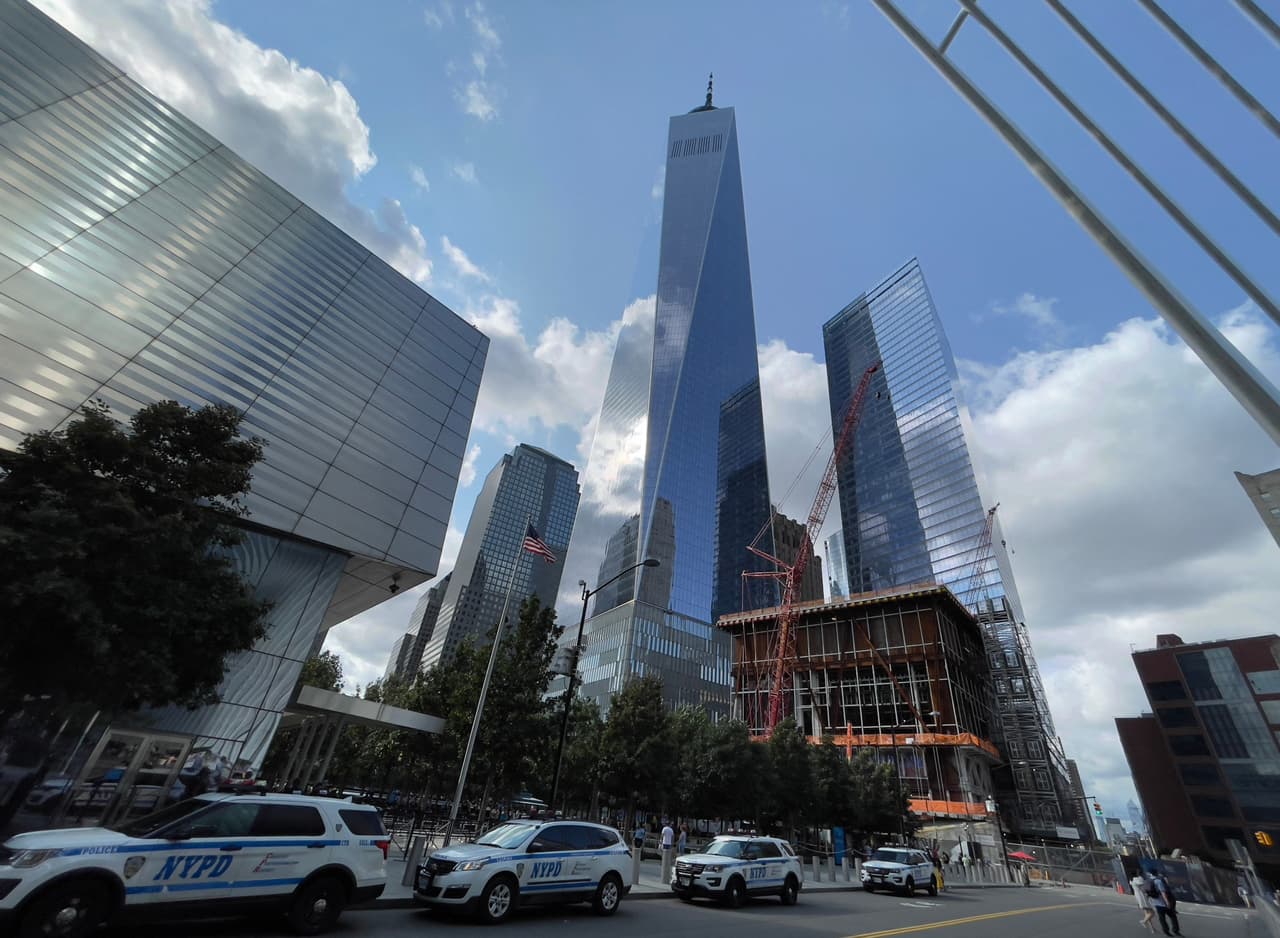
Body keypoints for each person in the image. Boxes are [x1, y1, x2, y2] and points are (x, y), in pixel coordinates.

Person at [1150, 872, 1181, 937]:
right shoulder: (1159, 881)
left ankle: (1166, 931)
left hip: (1156, 903)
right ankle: (1175, 931)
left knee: (1162, 918)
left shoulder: (1149, 881)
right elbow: (1163, 893)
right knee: (1173, 917)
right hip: (1164, 903)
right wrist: (1167, 903)